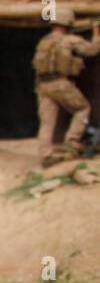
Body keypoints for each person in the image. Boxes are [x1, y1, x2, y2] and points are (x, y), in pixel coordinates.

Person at [33, 8, 99, 166]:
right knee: (82, 109)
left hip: (43, 85)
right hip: (60, 83)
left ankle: (46, 155)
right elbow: (92, 50)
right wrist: (97, 33)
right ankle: (72, 143)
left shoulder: (44, 40)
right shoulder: (69, 40)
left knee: (47, 122)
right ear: (68, 24)